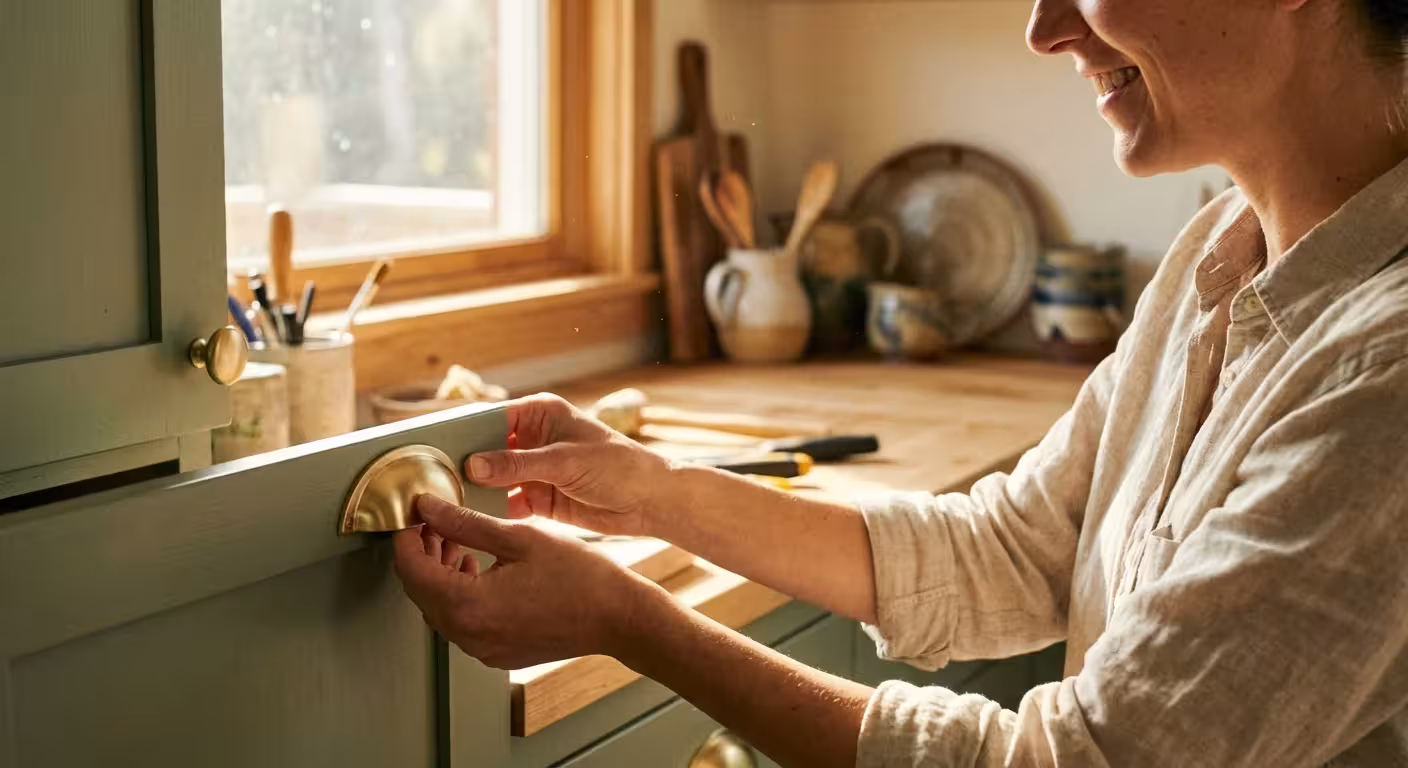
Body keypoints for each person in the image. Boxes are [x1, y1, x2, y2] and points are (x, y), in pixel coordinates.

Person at [392, 0, 1408, 764]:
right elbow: (1012, 548)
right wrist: (655, 490)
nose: (1044, 27)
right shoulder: (1214, 259)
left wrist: (629, 621)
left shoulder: (1385, 371)